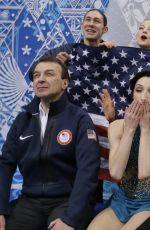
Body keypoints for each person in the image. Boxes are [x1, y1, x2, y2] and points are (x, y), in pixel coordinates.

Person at [0, 56, 100, 230]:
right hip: (30, 200)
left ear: (64, 83)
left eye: (49, 74)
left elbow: (88, 170)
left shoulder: (80, 119)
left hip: (68, 201)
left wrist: (71, 218)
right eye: (36, 75)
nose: (40, 79)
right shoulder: (22, 120)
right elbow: (5, 165)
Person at [87, 70, 150, 230]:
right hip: (123, 200)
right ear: (132, 94)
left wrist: (145, 129)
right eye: (139, 90)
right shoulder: (117, 126)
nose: (143, 97)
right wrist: (129, 130)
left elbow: (144, 173)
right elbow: (115, 173)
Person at [99, 19, 150, 122]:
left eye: (149, 29)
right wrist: (101, 51)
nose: (144, 31)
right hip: (121, 125)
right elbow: (93, 70)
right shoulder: (120, 57)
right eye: (141, 28)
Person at [43, 9, 113, 63]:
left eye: (97, 21)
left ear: (105, 29)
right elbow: (33, 70)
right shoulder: (66, 50)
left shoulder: (111, 53)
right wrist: (59, 65)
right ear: (82, 26)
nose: (91, 24)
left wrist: (112, 52)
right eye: (88, 20)